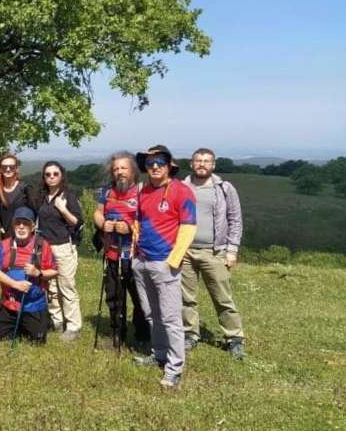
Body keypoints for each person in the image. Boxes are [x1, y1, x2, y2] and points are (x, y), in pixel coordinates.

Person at [131, 145, 197, 389]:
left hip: (165, 263)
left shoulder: (182, 191)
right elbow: (138, 220)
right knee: (151, 313)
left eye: (159, 162)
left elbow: (189, 228)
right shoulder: (143, 191)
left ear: (169, 165)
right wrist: (135, 252)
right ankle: (158, 353)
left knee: (170, 318)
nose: (154, 167)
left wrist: (174, 260)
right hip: (142, 261)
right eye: (150, 163)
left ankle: (174, 368)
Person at [181, 148, 245, 359]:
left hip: (215, 252)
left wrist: (232, 251)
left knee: (223, 297)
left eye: (207, 161)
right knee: (186, 298)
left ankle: (234, 338)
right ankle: (190, 334)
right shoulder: (181, 187)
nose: (202, 164)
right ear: (191, 164)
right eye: (198, 160)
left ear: (213, 165)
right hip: (185, 251)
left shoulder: (224, 188)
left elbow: (235, 220)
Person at [93, 151, 150, 349]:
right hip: (112, 253)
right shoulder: (106, 192)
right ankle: (118, 333)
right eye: (116, 169)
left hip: (135, 255)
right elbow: (98, 213)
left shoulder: (143, 192)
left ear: (133, 170)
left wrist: (131, 227)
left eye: (123, 168)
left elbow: (150, 222)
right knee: (114, 296)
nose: (119, 172)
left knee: (139, 296)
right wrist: (103, 224)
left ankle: (143, 334)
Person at [32, 161, 84, 341]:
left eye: (55, 173)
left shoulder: (68, 196)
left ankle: (73, 326)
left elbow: (77, 222)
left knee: (66, 286)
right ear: (44, 178)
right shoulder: (42, 197)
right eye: (48, 174)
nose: (52, 177)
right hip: (46, 247)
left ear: (62, 175)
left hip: (63, 246)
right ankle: (57, 321)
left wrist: (63, 210)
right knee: (51, 286)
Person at [0, 207, 58, 343]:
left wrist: (38, 273)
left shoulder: (42, 246)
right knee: (0, 337)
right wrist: (15, 284)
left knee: (37, 341)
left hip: (34, 305)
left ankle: (41, 321)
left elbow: (54, 271)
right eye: (18, 223)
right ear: (13, 225)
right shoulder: (4, 245)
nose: (21, 227)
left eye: (25, 223)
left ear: (33, 226)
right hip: (10, 303)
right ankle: (18, 324)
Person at [0, 152, 29, 239]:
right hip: (6, 237)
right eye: (4, 167)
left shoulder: (25, 189)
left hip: (23, 238)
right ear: (0, 169)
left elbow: (34, 210)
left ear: (17, 169)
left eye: (11, 167)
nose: (8, 169)